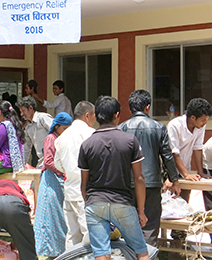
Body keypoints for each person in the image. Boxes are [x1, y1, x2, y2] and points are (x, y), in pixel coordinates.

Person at [79, 96, 150, 260]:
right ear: (117, 115)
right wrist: (141, 210)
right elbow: (139, 178)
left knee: (102, 254)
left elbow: (84, 184)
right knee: (141, 250)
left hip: (95, 203)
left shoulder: (87, 144)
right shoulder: (130, 141)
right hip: (122, 203)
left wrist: (88, 203)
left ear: (96, 116)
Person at [118, 90, 181, 246]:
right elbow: (167, 156)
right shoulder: (159, 127)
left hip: (127, 185)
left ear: (130, 108)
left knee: (127, 227)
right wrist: (174, 179)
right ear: (148, 107)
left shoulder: (121, 128)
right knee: (150, 226)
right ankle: (148, 255)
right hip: (151, 185)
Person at [166, 98, 212, 243]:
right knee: (167, 206)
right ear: (193, 117)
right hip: (168, 170)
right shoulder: (175, 125)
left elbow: (198, 148)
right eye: (203, 120)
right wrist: (186, 174)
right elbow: (174, 153)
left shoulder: (199, 127)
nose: (205, 123)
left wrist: (199, 171)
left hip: (184, 169)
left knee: (183, 207)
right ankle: (166, 246)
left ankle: (179, 242)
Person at [53, 101, 96, 249]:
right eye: (94, 116)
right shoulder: (91, 134)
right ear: (87, 115)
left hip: (69, 189)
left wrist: (70, 170)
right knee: (89, 234)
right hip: (87, 191)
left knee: (72, 234)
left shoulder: (61, 138)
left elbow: (58, 164)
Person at [34, 112, 72, 258]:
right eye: (64, 128)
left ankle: (61, 252)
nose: (66, 131)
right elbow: (48, 162)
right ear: (56, 126)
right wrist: (64, 171)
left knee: (61, 219)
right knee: (50, 219)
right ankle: (51, 253)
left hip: (60, 180)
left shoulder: (63, 138)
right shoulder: (51, 138)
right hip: (51, 182)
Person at [16, 96, 53, 169]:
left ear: (30, 108)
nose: (21, 114)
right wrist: (20, 166)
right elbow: (26, 149)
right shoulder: (28, 128)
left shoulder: (43, 118)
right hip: (42, 161)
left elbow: (58, 132)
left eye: (23, 111)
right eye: (21, 112)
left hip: (52, 159)